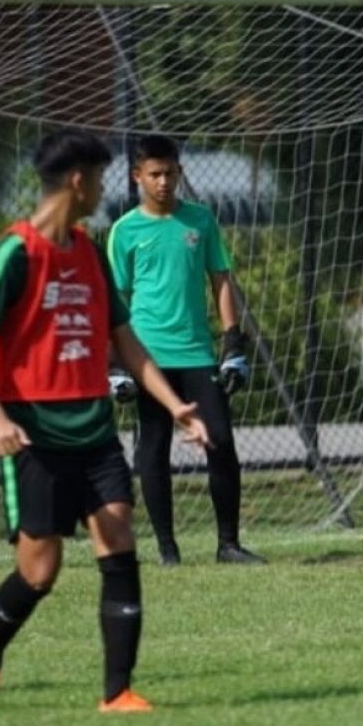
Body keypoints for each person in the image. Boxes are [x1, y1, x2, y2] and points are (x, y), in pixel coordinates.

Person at [0, 129, 211, 714]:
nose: (103, 190)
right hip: (35, 437)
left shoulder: (90, 251)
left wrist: (175, 407)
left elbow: (125, 340)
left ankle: (117, 692)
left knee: (118, 536)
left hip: (94, 431)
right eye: (98, 179)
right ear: (77, 181)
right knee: (40, 571)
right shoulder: (16, 252)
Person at [107, 134, 263, 566]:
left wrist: (232, 343)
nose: (163, 182)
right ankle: (167, 550)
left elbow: (221, 280)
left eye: (170, 173)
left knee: (221, 442)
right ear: (137, 176)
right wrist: (115, 364)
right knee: (152, 448)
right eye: (154, 174)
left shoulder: (201, 221)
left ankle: (228, 544)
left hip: (197, 353)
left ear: (180, 172)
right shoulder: (124, 231)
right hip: (148, 358)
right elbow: (114, 300)